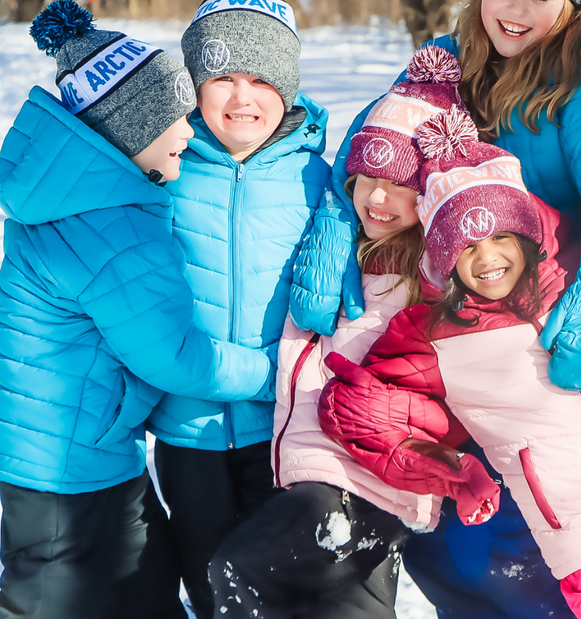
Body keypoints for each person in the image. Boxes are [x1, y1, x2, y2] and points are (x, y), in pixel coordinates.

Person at [291, 1, 581, 616]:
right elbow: (374, 138)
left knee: (525, 542)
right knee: (447, 538)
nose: (514, 10)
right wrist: (333, 222)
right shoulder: (450, 61)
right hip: (448, 328)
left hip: (538, 337)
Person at [318, 107, 581, 619]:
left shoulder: (576, 284)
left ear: (525, 234)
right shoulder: (437, 334)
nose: (487, 257)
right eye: (465, 245)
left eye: (499, 237)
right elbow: (354, 405)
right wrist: (452, 468)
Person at [0, 2, 277, 617]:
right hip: (71, 473)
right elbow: (180, 359)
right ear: (131, 128)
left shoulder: (73, 201)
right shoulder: (113, 231)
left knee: (143, 587)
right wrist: (278, 373)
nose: (189, 131)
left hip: (60, 457)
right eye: (175, 116)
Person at [205, 47, 500, 619]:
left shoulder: (436, 280)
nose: (377, 199)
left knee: (239, 570)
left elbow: (461, 381)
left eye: (398, 185)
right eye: (365, 179)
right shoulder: (342, 255)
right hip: (330, 467)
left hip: (365, 472)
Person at [144, 1, 331, 616]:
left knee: (279, 587)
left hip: (284, 426)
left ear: (288, 85)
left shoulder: (319, 181)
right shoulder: (164, 170)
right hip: (187, 427)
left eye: (261, 79)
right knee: (209, 582)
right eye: (222, 77)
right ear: (195, 87)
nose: (240, 97)